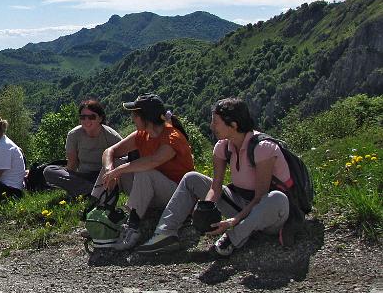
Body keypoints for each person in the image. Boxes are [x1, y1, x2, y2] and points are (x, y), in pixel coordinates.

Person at [136, 98, 291, 256]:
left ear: (233, 125)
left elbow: (260, 197)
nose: (211, 127)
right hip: (241, 204)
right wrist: (206, 208)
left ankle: (233, 237)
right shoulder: (223, 147)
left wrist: (233, 221)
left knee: (276, 198)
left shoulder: (263, 148)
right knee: (191, 178)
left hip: (269, 213)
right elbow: (215, 187)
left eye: (216, 122)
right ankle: (164, 234)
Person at [92, 93, 194, 251]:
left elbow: (153, 161)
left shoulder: (173, 137)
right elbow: (110, 151)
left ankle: (133, 227)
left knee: (144, 171)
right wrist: (110, 169)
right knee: (116, 163)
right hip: (154, 191)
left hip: (177, 195)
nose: (132, 118)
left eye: (135, 114)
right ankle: (100, 213)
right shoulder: (142, 135)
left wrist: (119, 170)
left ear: (146, 117)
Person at [43, 99, 122, 200]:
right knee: (49, 171)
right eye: (83, 117)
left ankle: (87, 191)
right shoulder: (74, 135)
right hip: (82, 176)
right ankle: (91, 190)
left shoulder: (111, 136)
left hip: (103, 176)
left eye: (92, 117)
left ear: (100, 118)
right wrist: (68, 179)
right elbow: (72, 163)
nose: (87, 121)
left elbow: (122, 159)